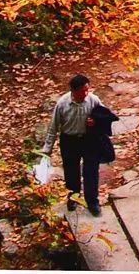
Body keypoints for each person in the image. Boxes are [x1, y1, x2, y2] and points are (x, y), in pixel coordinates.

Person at [42, 73, 104, 216]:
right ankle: (73, 197)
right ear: (74, 91)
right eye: (83, 90)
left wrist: (96, 121)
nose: (86, 93)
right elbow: (54, 127)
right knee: (71, 171)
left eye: (87, 89)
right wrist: (47, 149)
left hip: (89, 139)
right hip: (69, 140)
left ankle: (92, 201)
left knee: (91, 171)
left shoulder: (93, 100)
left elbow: (106, 115)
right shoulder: (62, 103)